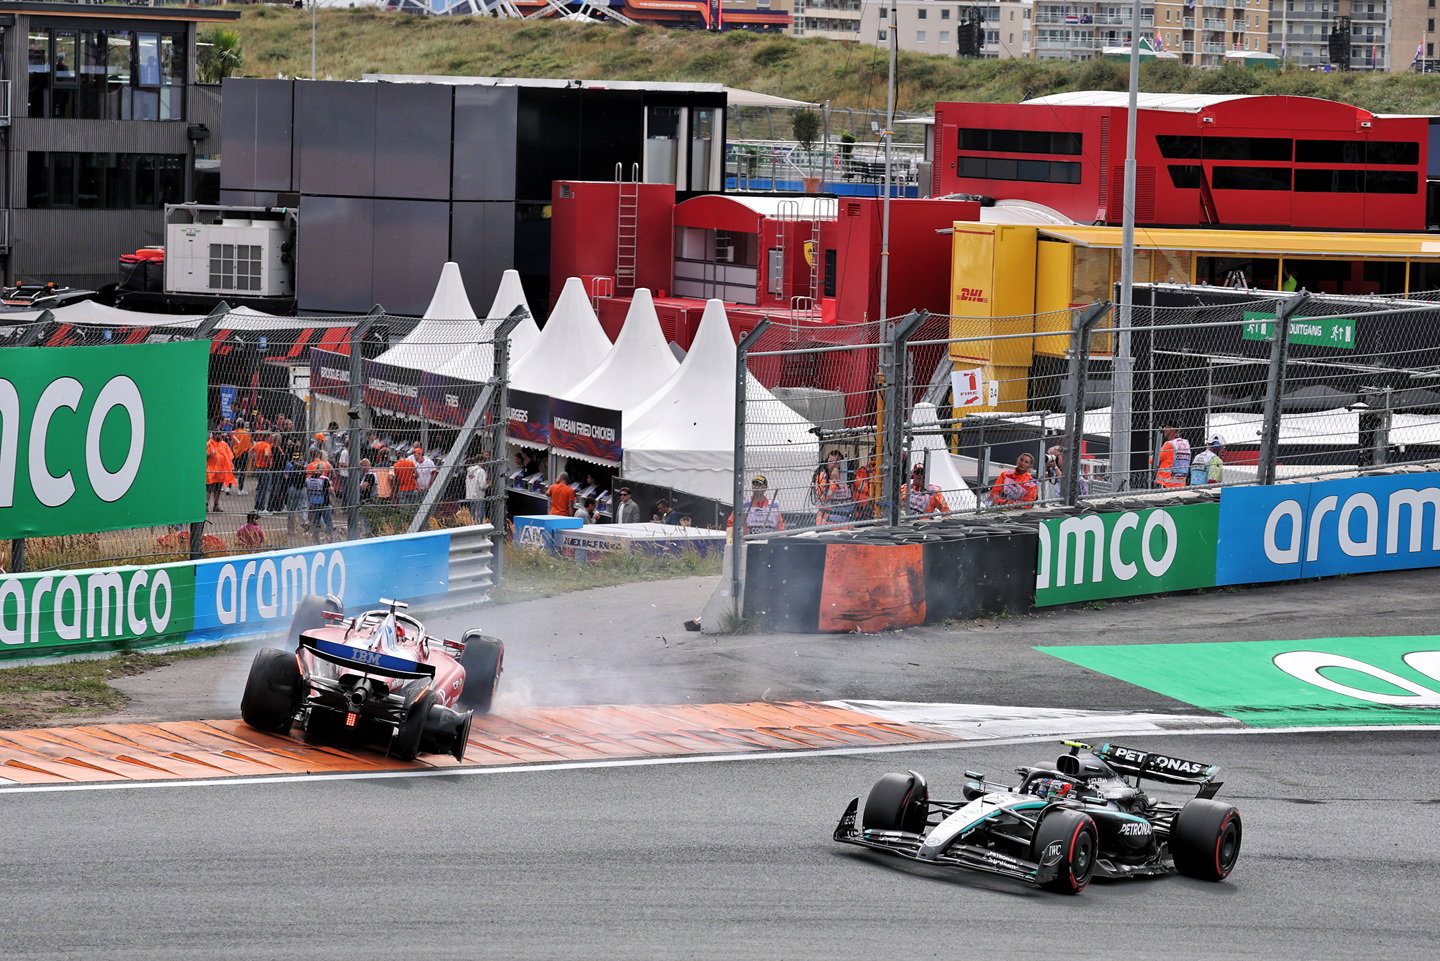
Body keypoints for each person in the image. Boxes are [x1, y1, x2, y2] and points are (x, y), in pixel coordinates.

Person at [1154, 422, 1191, 489]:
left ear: (1171, 429)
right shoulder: (1186, 443)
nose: (1164, 430)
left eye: (1166, 428)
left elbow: (1154, 459)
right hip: (1181, 484)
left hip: (1167, 485)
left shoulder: (1169, 444)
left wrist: (1152, 454)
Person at [816, 462, 854, 527]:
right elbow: (823, 499)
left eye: (836, 463)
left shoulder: (850, 477)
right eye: (830, 462)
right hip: (827, 524)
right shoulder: (822, 477)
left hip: (846, 523)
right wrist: (834, 482)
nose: (833, 465)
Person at [306, 469, 335, 542]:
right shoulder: (324, 479)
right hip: (325, 503)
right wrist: (332, 488)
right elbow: (329, 490)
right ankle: (330, 539)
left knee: (314, 523)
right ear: (323, 471)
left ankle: (314, 540)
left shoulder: (309, 479)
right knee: (328, 523)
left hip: (314, 503)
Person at [205, 432, 230, 512]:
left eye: (220, 434)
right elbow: (204, 457)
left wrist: (230, 464)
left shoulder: (223, 444)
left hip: (221, 471)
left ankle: (216, 505)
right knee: (209, 489)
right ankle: (206, 505)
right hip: (211, 471)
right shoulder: (209, 444)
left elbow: (228, 455)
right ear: (214, 435)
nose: (219, 436)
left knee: (218, 489)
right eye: (217, 434)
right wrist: (209, 455)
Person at [465, 455, 488, 522]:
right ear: (482, 461)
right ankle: (479, 525)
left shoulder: (469, 471)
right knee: (480, 514)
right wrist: (489, 484)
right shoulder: (481, 471)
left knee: (472, 513)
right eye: (485, 462)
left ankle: (472, 525)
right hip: (478, 495)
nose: (485, 464)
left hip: (470, 495)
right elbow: (482, 486)